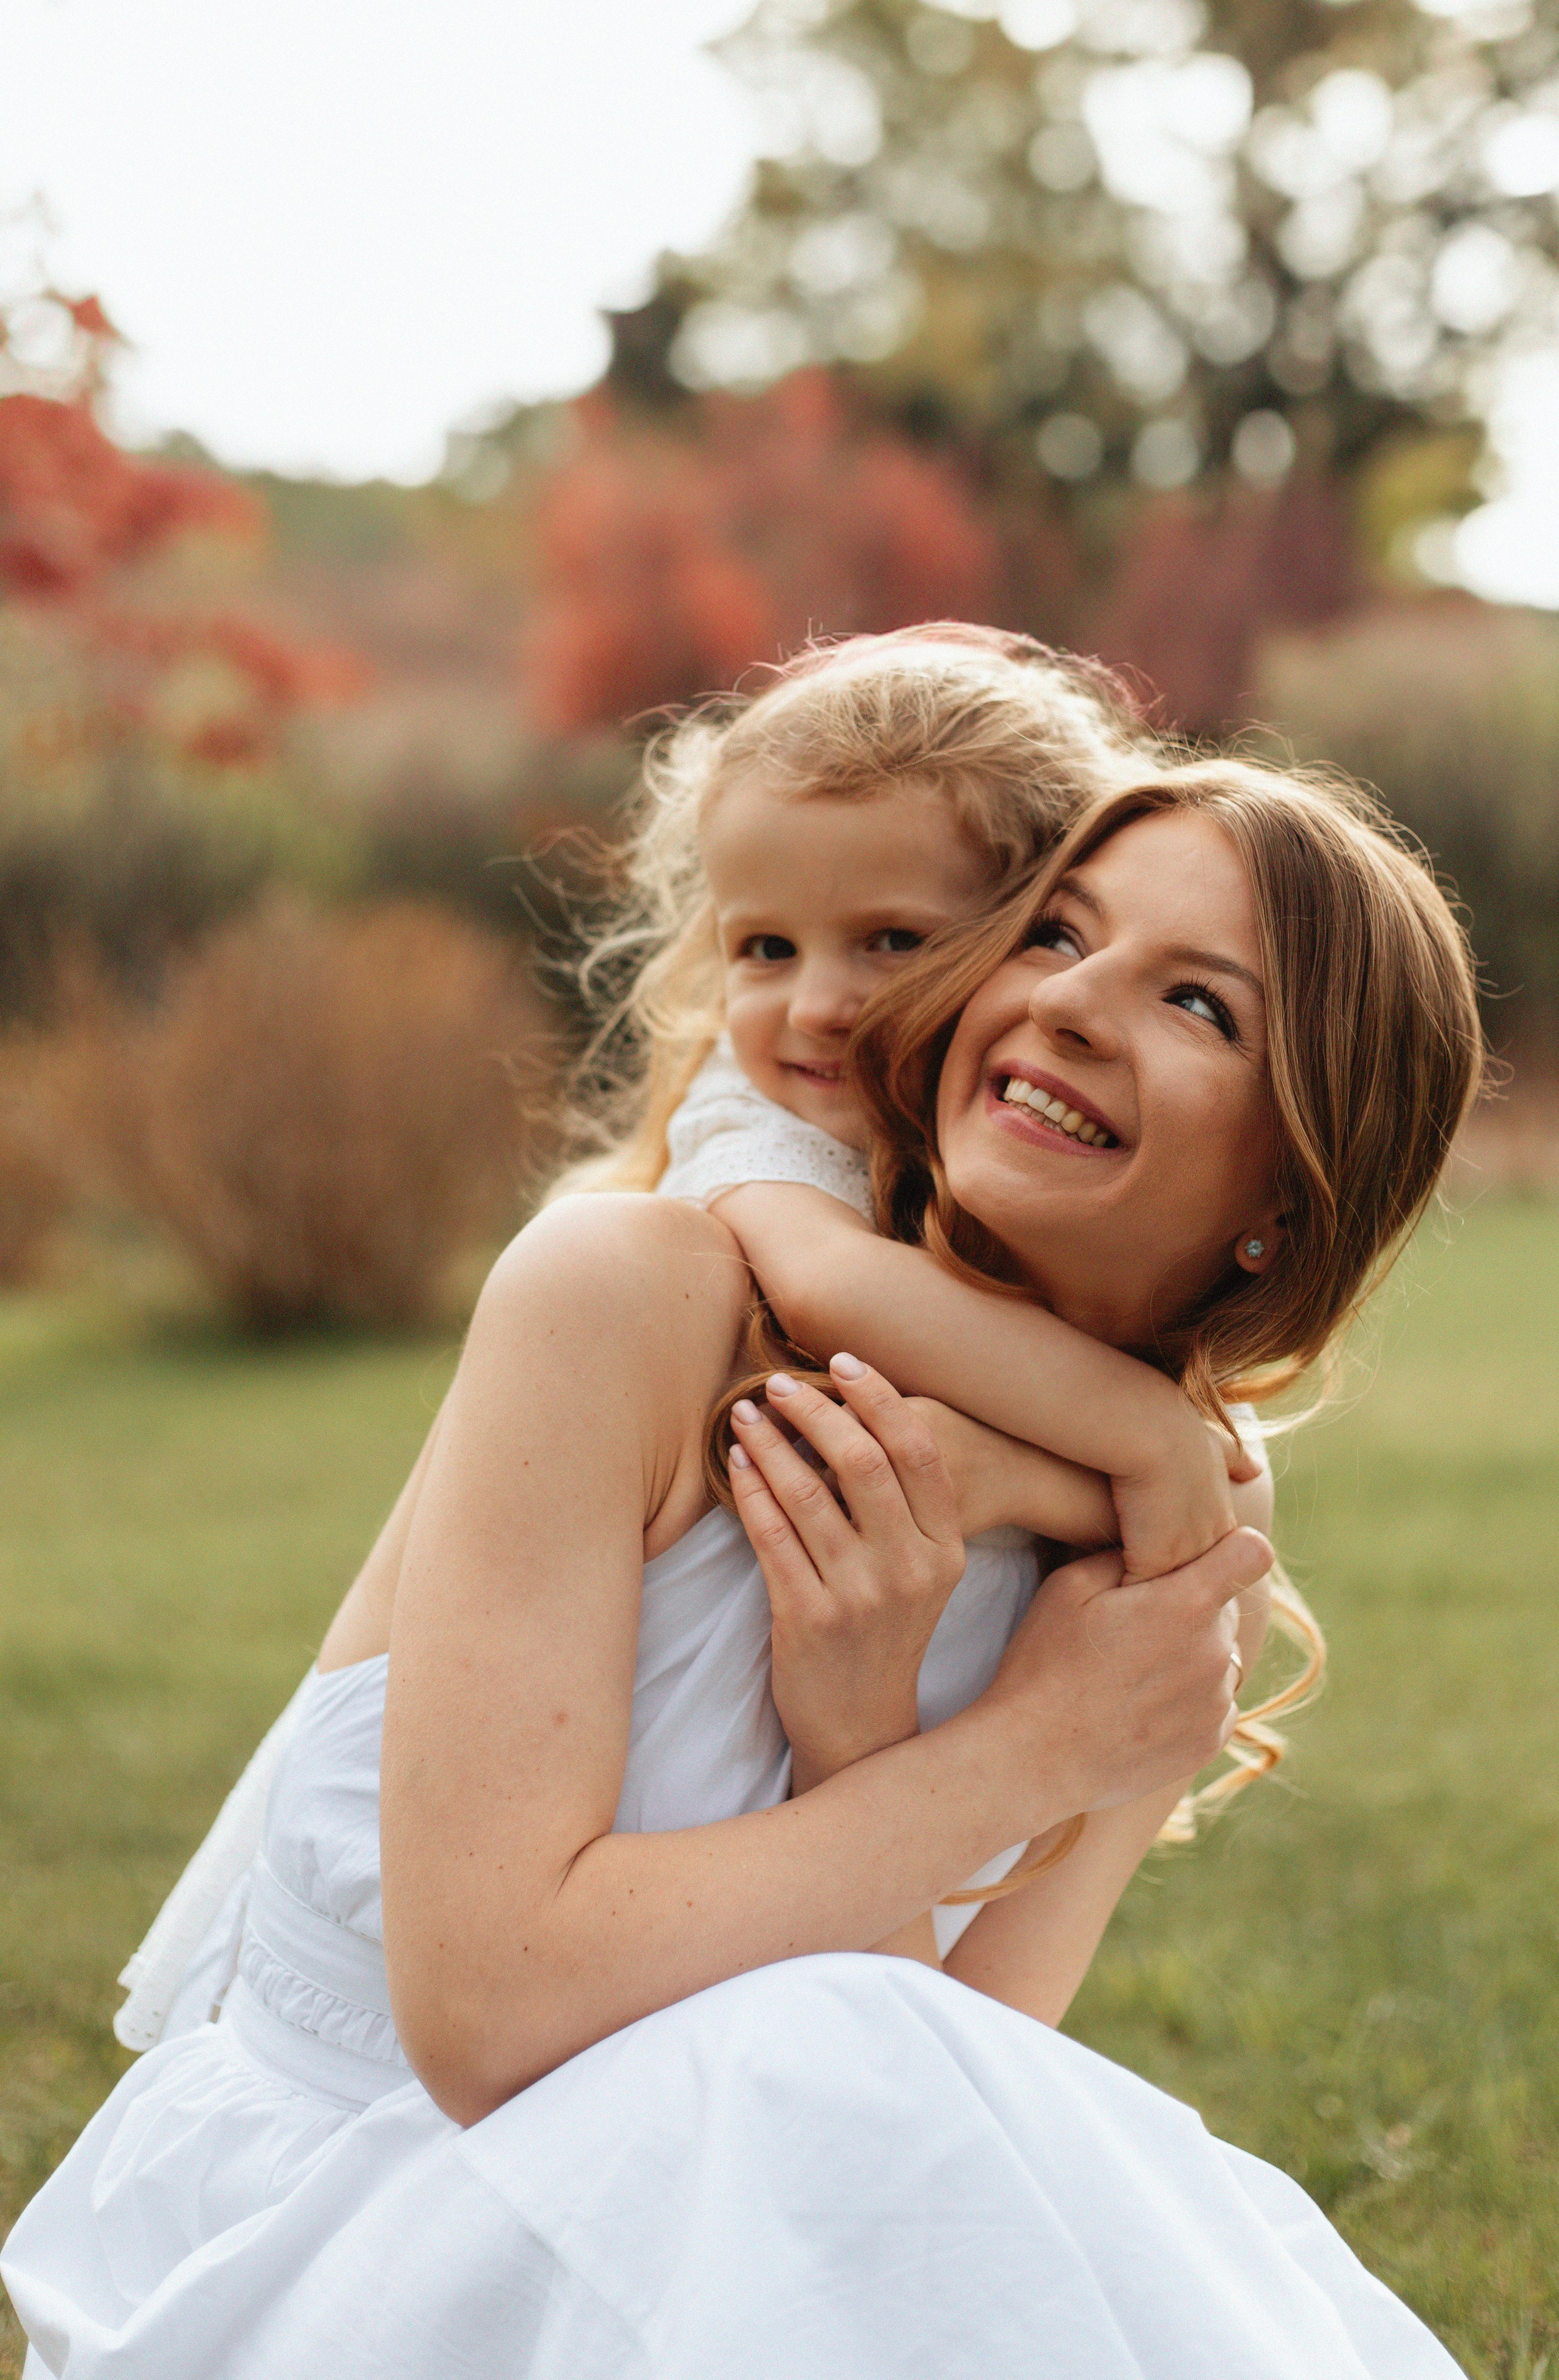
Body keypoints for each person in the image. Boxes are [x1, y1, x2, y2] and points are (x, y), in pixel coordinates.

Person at [3, 739, 1484, 2378]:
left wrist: (855, 1723)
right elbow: (493, 2017)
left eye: (1197, 1004)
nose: (1069, 1003)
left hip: (756, 2214)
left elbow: (931, 2108)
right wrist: (1023, 1754)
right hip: (344, 2220)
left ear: (1287, 1193)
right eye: (1058, 934)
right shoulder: (632, 1299)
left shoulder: (1185, 1536)